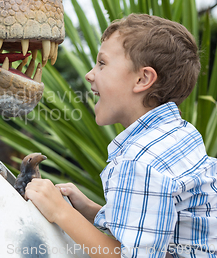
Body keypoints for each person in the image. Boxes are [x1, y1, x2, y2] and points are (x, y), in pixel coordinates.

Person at [25, 14, 217, 258]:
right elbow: (153, 230)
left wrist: (60, 212)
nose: (89, 74)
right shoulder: (180, 134)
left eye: (102, 63)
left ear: (142, 79)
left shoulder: (139, 162)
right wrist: (90, 210)